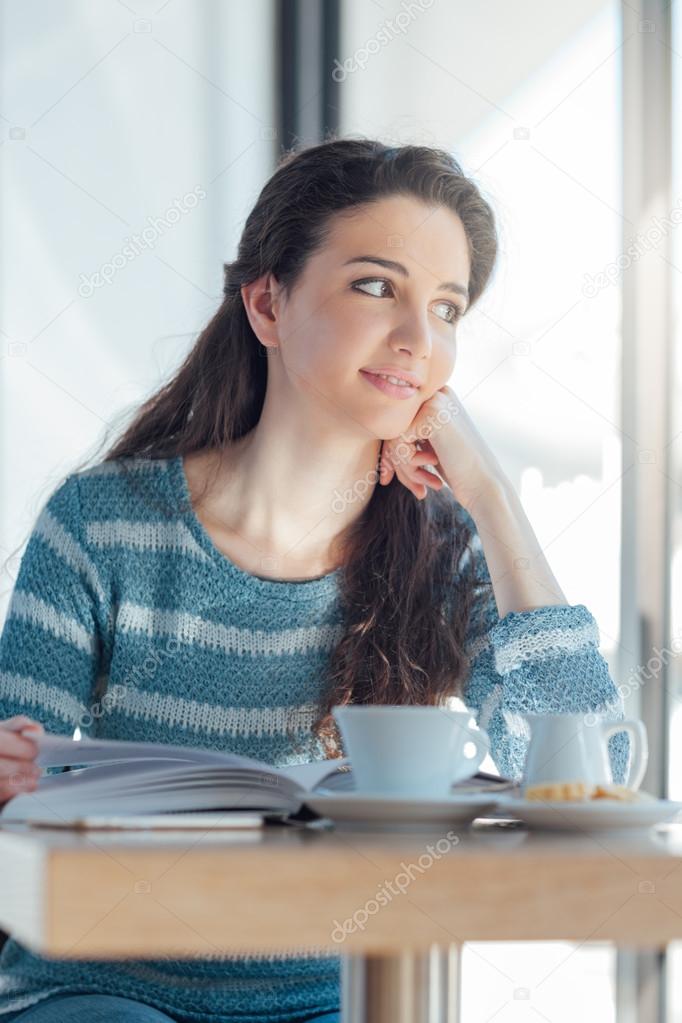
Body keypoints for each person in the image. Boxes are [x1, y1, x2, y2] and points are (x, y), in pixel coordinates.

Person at [0, 136, 629, 1022]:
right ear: (267, 302)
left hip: (332, 999)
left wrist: (494, 500)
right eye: (376, 286)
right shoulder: (100, 523)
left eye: (447, 308)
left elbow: (584, 774)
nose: (418, 340)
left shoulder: (442, 549)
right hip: (98, 990)